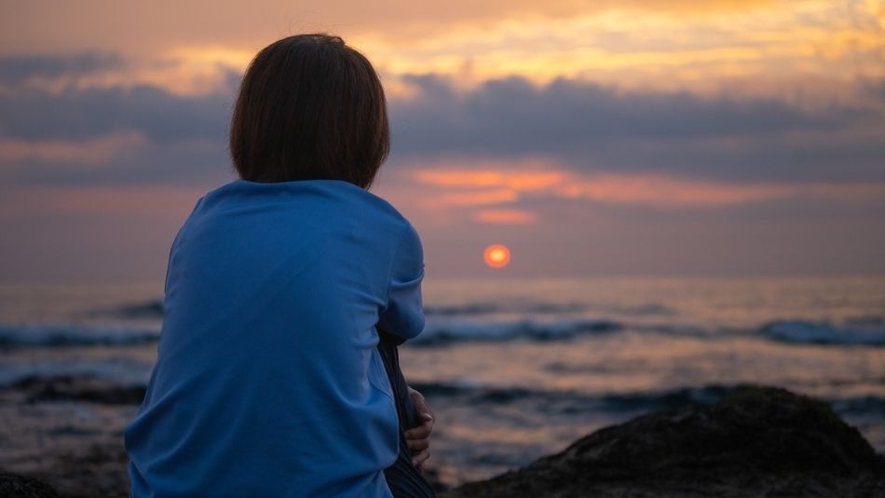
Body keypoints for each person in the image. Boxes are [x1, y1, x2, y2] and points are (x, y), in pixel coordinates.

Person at [125, 34, 434, 497]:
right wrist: (399, 403)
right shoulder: (382, 227)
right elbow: (400, 327)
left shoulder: (201, 221)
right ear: (368, 136)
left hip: (165, 488)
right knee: (381, 335)